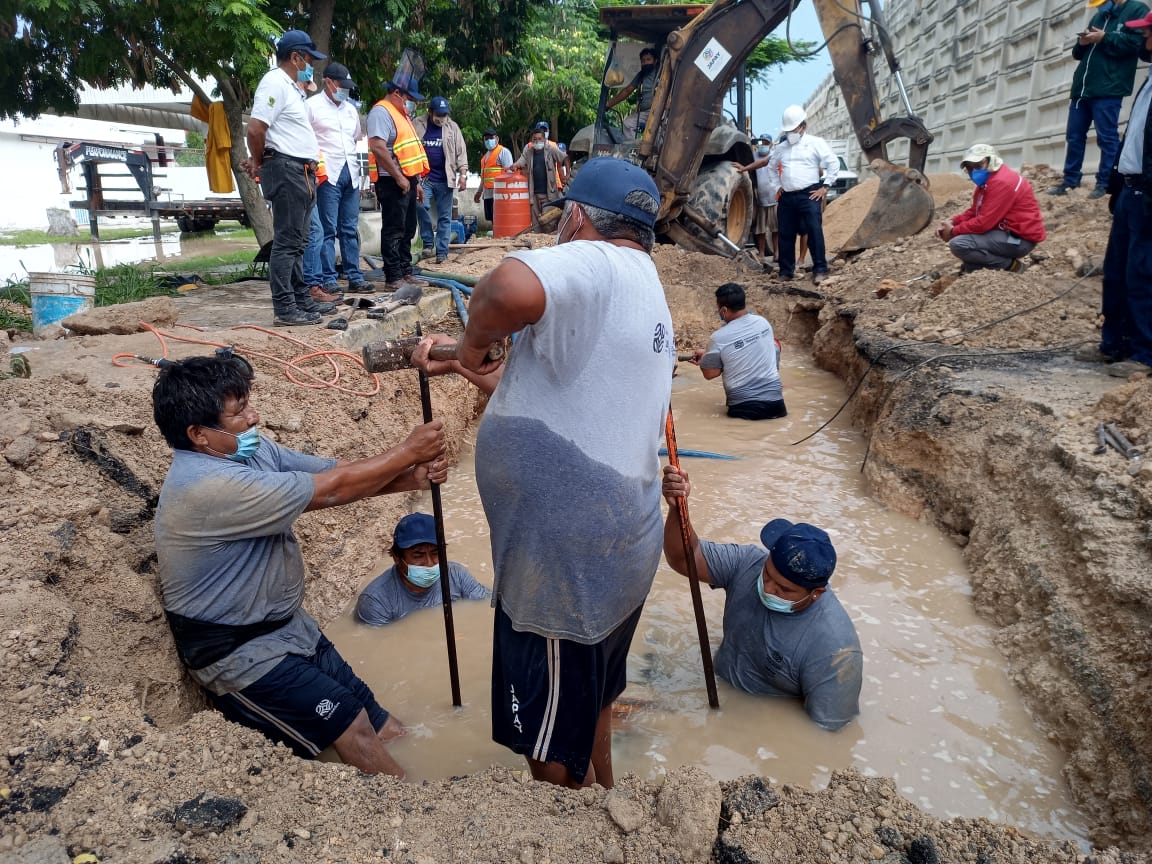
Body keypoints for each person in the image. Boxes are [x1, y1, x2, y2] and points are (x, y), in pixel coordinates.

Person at [411, 157, 676, 789]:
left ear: (579, 216)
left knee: (549, 740)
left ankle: (569, 831)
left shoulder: (594, 260)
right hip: (617, 547)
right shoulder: (643, 283)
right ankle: (608, 803)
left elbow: (503, 290)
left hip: (564, 566)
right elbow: (554, 391)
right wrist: (467, 369)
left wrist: (471, 343)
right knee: (591, 703)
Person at [151, 354, 449, 777]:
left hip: (289, 626)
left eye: (248, 402)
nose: (254, 416)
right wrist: (406, 451)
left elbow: (338, 472)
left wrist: (412, 477)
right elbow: (330, 492)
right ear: (198, 434)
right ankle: (414, 810)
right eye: (238, 412)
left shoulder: (250, 452)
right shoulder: (208, 487)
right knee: (355, 727)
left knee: (383, 723)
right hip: (239, 650)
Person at [660, 466, 863, 731]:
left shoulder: (836, 650)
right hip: (718, 685)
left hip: (756, 727)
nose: (768, 589)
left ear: (816, 594)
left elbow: (824, 735)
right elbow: (685, 558)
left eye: (784, 589)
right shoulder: (748, 563)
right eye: (767, 575)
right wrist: (678, 510)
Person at [242, 30, 337, 326]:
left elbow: (276, 133)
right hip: (287, 171)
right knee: (287, 242)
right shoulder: (274, 83)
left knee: (299, 241)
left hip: (301, 172)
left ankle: (300, 299)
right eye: (308, 59)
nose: (311, 66)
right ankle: (285, 308)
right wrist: (258, 162)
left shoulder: (291, 87)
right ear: (295, 57)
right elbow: (256, 130)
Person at [1081, 12, 1152, 377]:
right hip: (1130, 190)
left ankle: (1144, 355)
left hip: (1147, 193)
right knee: (1118, 272)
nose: (1143, 41)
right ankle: (1115, 345)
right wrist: (1115, 184)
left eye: (1147, 34)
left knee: (1143, 274)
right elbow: (1134, 140)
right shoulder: (1148, 82)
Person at [1048, 0, 1150, 198]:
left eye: (1101, 3)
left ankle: (1105, 183)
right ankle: (1070, 180)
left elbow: (1134, 45)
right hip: (1083, 88)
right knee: (1074, 136)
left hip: (1109, 87)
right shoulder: (1098, 17)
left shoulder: (1136, 10)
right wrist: (1082, 43)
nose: (1099, 7)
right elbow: (1078, 54)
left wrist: (1104, 37)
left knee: (1107, 137)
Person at [356, 513, 491, 626]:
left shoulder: (456, 574)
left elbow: (487, 605)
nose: (429, 563)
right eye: (418, 555)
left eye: (435, 553)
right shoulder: (375, 601)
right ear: (396, 557)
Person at [307, 61, 371, 295]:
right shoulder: (312, 106)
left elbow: (357, 140)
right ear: (329, 82)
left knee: (349, 228)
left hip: (350, 174)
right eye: (341, 85)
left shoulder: (350, 109)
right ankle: (328, 277)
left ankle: (355, 276)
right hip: (328, 174)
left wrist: (364, 174)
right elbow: (305, 140)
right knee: (327, 228)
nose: (345, 90)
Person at [935, 144, 1046, 273]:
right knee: (967, 238)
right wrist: (951, 222)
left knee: (960, 244)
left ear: (991, 161)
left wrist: (953, 231)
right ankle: (973, 272)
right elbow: (975, 211)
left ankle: (1011, 266)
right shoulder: (988, 182)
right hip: (1008, 233)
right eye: (969, 168)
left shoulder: (1001, 182)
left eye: (978, 166)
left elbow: (983, 223)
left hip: (1019, 239)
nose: (974, 172)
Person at [762, 105, 838, 285]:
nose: (790, 133)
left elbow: (833, 163)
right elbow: (771, 168)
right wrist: (777, 187)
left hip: (809, 194)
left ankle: (820, 269)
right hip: (787, 197)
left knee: (814, 231)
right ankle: (786, 271)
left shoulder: (815, 143)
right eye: (787, 130)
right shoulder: (781, 148)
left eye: (793, 129)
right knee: (785, 234)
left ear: (803, 127)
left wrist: (825, 186)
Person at [368, 71, 429, 288]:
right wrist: (398, 177)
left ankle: (405, 270)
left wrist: (416, 183)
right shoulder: (382, 112)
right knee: (394, 228)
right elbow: (378, 146)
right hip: (391, 181)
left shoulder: (401, 114)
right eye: (410, 99)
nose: (412, 104)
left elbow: (408, 152)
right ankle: (393, 276)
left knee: (408, 226)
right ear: (397, 93)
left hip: (407, 180)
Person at [691, 282, 786, 420]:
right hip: (777, 404)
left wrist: (705, 360)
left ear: (723, 310)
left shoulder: (718, 338)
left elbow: (711, 373)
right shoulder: (763, 323)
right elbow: (774, 350)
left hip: (744, 409)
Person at [413, 96, 470, 264]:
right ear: (430, 112)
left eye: (444, 115)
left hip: (445, 179)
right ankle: (428, 242)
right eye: (438, 115)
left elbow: (461, 153)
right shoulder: (418, 124)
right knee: (421, 206)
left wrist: (463, 175)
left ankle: (442, 252)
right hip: (424, 178)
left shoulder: (452, 127)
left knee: (445, 217)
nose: (441, 119)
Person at [510, 127, 565, 231]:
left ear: (544, 139)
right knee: (536, 226)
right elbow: (521, 161)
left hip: (550, 193)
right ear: (532, 140)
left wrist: (567, 176)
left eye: (539, 139)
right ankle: (538, 244)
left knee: (548, 222)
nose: (537, 141)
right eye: (534, 139)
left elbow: (565, 157)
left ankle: (550, 243)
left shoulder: (551, 150)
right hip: (534, 195)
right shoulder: (529, 152)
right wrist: (514, 165)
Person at [736, 134, 779, 266]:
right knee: (760, 229)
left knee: (775, 229)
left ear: (771, 144)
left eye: (766, 143)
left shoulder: (774, 156)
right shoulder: (754, 156)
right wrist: (742, 166)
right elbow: (748, 163)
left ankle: (777, 253)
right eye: (760, 143)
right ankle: (761, 253)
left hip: (774, 198)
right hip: (760, 199)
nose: (762, 145)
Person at [607, 47, 658, 139]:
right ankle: (632, 149)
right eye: (643, 61)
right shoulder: (641, 75)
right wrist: (608, 105)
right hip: (645, 113)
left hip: (659, 112)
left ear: (655, 61)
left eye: (648, 59)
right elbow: (627, 91)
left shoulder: (661, 73)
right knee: (627, 124)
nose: (645, 63)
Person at [474, 127, 514, 224]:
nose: (488, 141)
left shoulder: (503, 152)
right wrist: (479, 192)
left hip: (500, 194)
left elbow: (509, 173)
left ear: (497, 139)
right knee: (492, 218)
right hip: (488, 194)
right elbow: (483, 178)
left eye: (491, 138)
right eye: (486, 139)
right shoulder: (484, 158)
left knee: (501, 219)